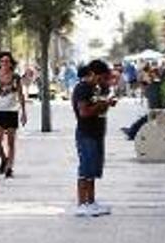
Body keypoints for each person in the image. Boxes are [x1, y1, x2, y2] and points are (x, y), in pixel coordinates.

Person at [72, 60, 117, 217]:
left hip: (96, 132)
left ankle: (91, 202)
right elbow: (84, 112)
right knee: (85, 169)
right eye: (101, 78)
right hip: (86, 133)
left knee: (93, 170)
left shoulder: (94, 88)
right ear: (92, 74)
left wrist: (106, 101)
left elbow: (99, 103)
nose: (102, 81)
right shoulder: (82, 88)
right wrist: (103, 104)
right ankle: (81, 203)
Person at [0, 51, 27, 178]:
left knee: (11, 142)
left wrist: (23, 112)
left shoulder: (16, 77)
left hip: (12, 112)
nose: (5, 63)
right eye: (2, 61)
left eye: (7, 61)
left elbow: (20, 95)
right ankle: (4, 159)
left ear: (11, 63)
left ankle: (9, 167)